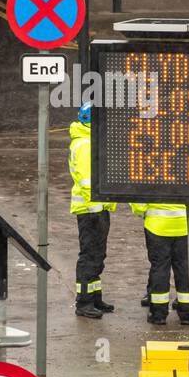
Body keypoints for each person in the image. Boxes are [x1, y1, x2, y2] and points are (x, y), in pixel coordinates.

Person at [68, 103, 115, 319]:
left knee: (97, 254)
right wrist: (97, 210)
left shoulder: (88, 140)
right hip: (90, 210)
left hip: (94, 209)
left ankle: (94, 296)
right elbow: (88, 182)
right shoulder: (86, 144)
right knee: (90, 255)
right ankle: (84, 302)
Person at [130, 202, 189, 326]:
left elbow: (136, 194)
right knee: (185, 268)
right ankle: (187, 313)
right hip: (186, 224)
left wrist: (142, 211)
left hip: (157, 225)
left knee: (159, 268)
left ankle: (158, 314)